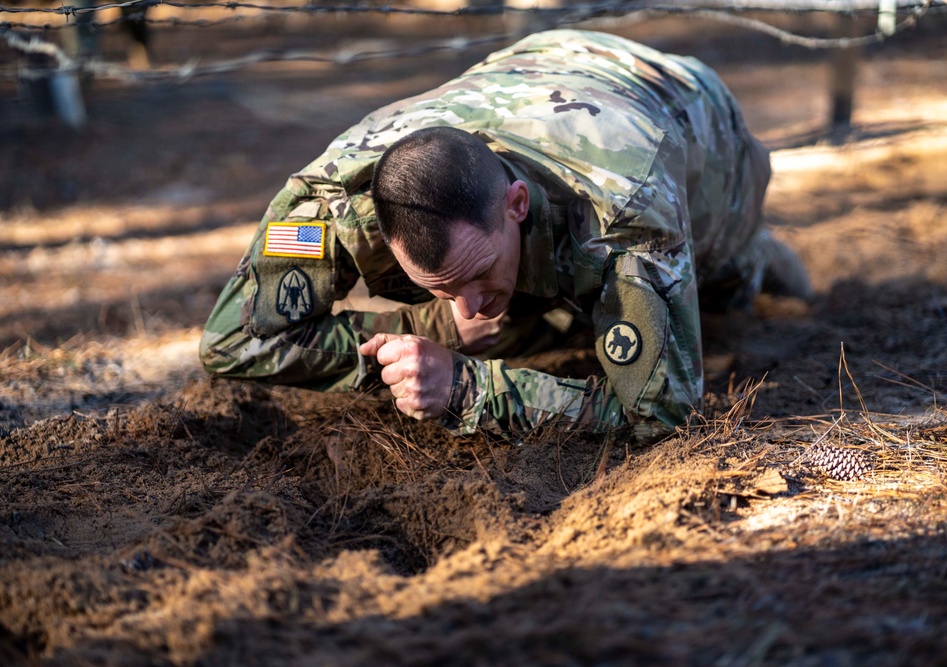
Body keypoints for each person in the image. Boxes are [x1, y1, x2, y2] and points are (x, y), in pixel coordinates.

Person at [199, 29, 810, 442]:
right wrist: (424, 334)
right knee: (520, 302)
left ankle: (755, 256)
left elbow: (664, 415)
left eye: (477, 273)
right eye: (440, 287)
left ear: (516, 204)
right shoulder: (326, 208)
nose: (470, 311)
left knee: (723, 294)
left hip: (682, 111)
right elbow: (236, 341)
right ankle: (544, 291)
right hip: (526, 72)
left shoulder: (626, 211)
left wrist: (467, 387)